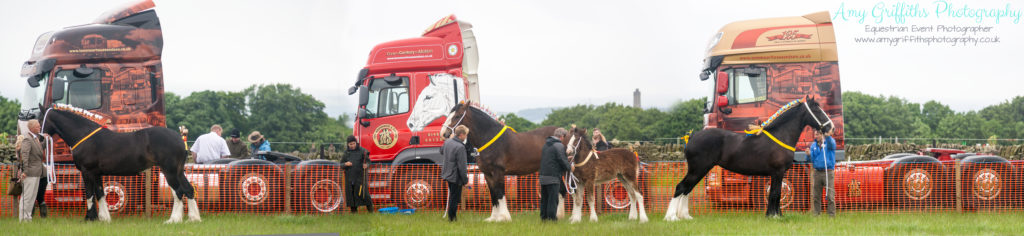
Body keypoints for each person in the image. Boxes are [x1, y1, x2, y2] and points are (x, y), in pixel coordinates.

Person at [539, 127, 573, 221]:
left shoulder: (546, 144)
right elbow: (562, 160)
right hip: (553, 177)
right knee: (553, 200)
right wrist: (570, 167)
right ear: (562, 136)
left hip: (543, 177)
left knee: (544, 199)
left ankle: (544, 218)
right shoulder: (559, 146)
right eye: (564, 137)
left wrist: (566, 156)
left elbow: (553, 158)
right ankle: (551, 219)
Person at [440, 125, 469, 222]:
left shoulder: (448, 142)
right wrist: (465, 181)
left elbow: (441, 151)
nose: (466, 137)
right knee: (454, 198)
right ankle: (452, 218)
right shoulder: (460, 147)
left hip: (447, 174)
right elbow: (462, 166)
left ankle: (451, 217)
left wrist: (448, 139)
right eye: (465, 135)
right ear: (461, 135)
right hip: (456, 176)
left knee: (452, 196)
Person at [18, 120, 44, 222]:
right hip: (30, 173)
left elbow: (39, 150)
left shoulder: (35, 138)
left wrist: (46, 139)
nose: (40, 127)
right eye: (38, 126)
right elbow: (25, 156)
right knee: (27, 198)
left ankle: (28, 218)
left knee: (32, 198)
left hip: (36, 173)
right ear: (32, 128)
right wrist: (25, 171)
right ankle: (23, 219)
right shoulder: (27, 139)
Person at [809, 128, 837, 217]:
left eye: (817, 134)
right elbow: (812, 159)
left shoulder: (829, 143)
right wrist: (809, 155)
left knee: (830, 195)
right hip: (817, 172)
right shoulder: (813, 145)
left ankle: (831, 215)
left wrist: (828, 137)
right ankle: (816, 214)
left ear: (822, 135)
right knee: (816, 196)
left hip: (828, 172)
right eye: (815, 134)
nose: (815, 136)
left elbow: (832, 145)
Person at [341, 135, 372, 213]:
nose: (352, 145)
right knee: (351, 195)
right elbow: (341, 164)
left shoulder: (362, 151)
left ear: (356, 143)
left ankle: (371, 211)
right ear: (348, 144)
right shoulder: (346, 153)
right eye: (350, 144)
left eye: (353, 143)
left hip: (360, 177)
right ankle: (354, 212)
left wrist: (366, 165)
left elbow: (368, 161)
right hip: (349, 178)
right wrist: (345, 164)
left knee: (364, 194)